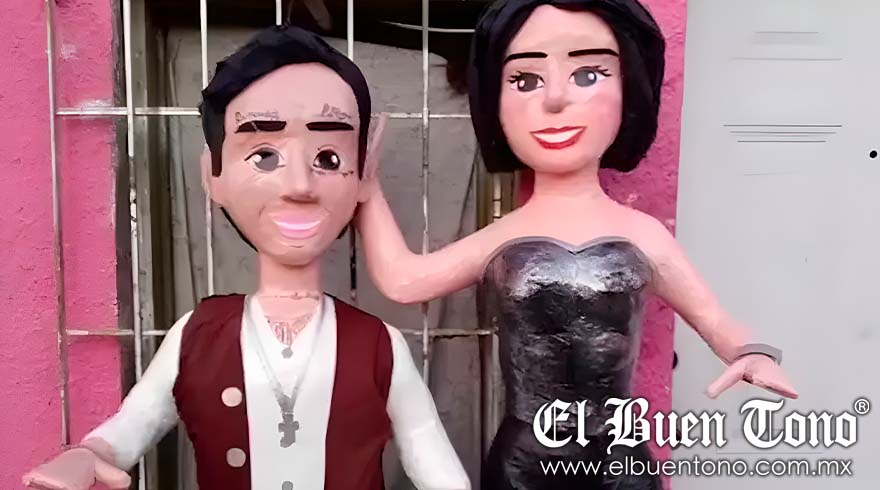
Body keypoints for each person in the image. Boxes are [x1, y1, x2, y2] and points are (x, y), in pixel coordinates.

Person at [355, 1, 797, 488]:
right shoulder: (503, 236)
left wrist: (753, 353)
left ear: (629, 87)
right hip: (525, 465)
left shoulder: (643, 233)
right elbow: (404, 280)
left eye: (588, 74)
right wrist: (368, 192)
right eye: (525, 80)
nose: (555, 99)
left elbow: (717, 322)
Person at [23, 25, 470, 490]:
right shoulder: (198, 337)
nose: (299, 185)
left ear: (362, 176)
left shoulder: (379, 346)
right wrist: (88, 455)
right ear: (212, 175)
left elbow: (437, 466)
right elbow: (129, 428)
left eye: (329, 159)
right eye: (264, 157)